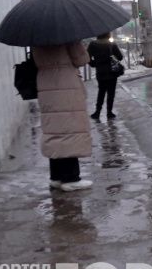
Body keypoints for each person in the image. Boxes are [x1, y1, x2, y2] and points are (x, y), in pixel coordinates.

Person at [31, 42, 93, 191]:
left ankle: (56, 176)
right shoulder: (67, 36)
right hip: (66, 85)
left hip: (45, 84)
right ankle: (71, 178)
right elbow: (82, 60)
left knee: (54, 130)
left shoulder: (36, 39)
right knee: (69, 130)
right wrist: (80, 45)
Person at [87, 33, 124, 120]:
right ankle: (109, 112)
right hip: (112, 72)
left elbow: (87, 57)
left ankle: (97, 112)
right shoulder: (111, 43)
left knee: (101, 91)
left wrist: (94, 64)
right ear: (108, 34)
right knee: (111, 93)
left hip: (100, 72)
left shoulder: (93, 44)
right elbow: (120, 57)